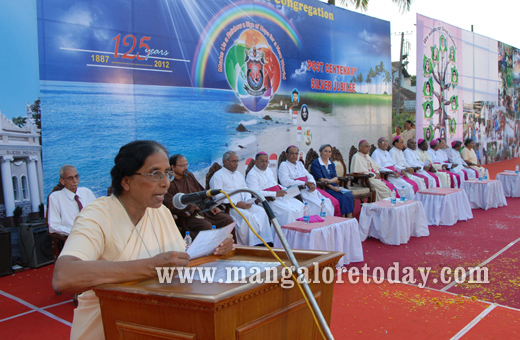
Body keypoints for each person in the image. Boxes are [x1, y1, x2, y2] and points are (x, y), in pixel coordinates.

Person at [52, 140, 234, 340]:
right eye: (155, 174)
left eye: (167, 173)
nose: (166, 182)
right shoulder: (97, 215)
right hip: (110, 329)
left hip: (159, 325)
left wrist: (212, 250)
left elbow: (179, 261)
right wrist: (149, 267)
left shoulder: (161, 212)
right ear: (126, 181)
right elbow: (64, 276)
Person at [210, 151, 273, 246]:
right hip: (230, 207)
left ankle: (266, 242)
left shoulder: (238, 174)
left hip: (244, 204)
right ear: (225, 162)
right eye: (233, 161)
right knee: (247, 216)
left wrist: (248, 200)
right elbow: (218, 198)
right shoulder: (218, 176)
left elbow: (246, 189)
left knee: (261, 211)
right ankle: (251, 245)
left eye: (237, 161)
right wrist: (236, 203)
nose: (236, 164)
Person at [163, 154, 233, 239]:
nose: (186, 168)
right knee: (206, 226)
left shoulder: (189, 176)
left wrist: (210, 206)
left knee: (227, 219)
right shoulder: (170, 183)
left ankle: (229, 248)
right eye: (182, 166)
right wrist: (193, 207)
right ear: (173, 167)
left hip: (203, 210)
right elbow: (170, 204)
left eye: (186, 165)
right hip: (188, 215)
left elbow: (202, 193)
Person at [246, 152, 304, 226]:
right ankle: (285, 233)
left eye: (266, 161)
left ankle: (299, 231)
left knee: (300, 205)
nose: (265, 163)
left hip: (279, 197)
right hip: (268, 200)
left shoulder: (268, 170)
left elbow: (275, 184)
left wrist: (285, 189)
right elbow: (256, 193)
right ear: (256, 161)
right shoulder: (252, 174)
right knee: (288, 211)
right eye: (262, 161)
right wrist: (275, 194)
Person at [278, 145, 335, 217]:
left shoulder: (300, 164)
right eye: (292, 153)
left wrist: (312, 184)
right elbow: (285, 182)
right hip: (297, 190)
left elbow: (308, 175)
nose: (294, 155)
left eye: (296, 154)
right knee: (317, 206)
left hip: (308, 189)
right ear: (286, 154)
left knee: (327, 203)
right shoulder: (284, 165)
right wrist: (304, 183)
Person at [48, 165, 96, 235]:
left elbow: (97, 214)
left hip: (93, 233)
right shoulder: (56, 197)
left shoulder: (86, 192)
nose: (75, 180)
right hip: (74, 236)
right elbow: (54, 226)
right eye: (70, 178)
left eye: (76, 176)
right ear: (62, 181)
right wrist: (75, 232)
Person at [310, 144, 354, 218]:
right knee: (341, 197)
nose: (328, 153)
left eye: (329, 152)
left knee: (349, 195)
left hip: (333, 185)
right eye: (325, 151)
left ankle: (349, 217)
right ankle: (342, 218)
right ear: (320, 152)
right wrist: (332, 187)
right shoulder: (316, 163)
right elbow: (321, 179)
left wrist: (330, 181)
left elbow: (335, 178)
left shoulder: (331, 163)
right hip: (323, 187)